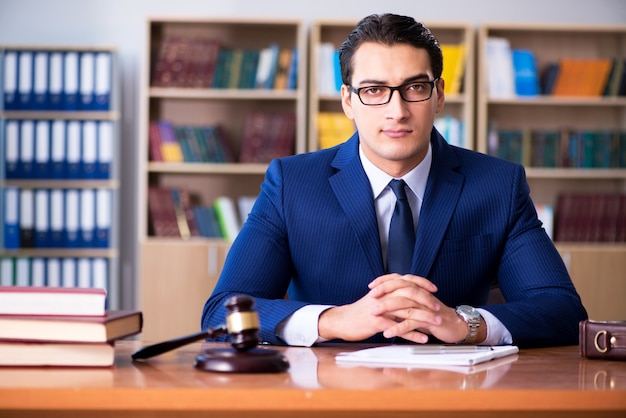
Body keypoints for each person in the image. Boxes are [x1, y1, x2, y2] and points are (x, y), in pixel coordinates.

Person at [201, 13, 587, 348]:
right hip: (326, 390)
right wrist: (334, 320)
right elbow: (222, 310)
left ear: (438, 96)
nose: (396, 111)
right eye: (374, 90)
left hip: (453, 391)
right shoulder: (292, 184)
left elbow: (562, 309)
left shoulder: (497, 185)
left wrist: (465, 324)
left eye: (414, 88)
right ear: (348, 101)